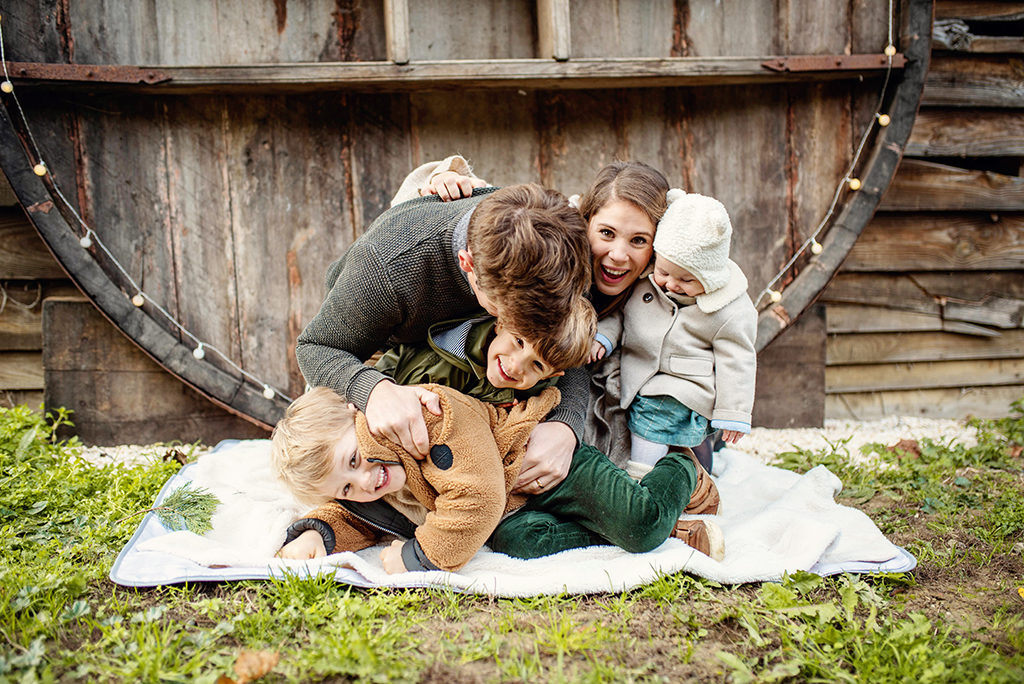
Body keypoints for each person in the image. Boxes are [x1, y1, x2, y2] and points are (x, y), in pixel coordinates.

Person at [295, 160, 592, 497]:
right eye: (516, 322)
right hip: (388, 356)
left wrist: (566, 424)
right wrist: (375, 391)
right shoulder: (383, 269)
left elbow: (571, 345)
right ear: (468, 264)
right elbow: (315, 347)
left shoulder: (560, 254)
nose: (532, 331)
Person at [271, 382, 723, 573]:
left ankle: (682, 470)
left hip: (544, 465)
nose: (366, 481)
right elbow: (365, 516)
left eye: (354, 460)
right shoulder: (379, 480)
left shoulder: (432, 415)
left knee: (640, 526)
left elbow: (479, 497)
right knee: (523, 543)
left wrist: (418, 556)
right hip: (516, 508)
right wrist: (319, 533)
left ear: (361, 413)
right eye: (346, 486)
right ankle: (676, 530)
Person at [591, 190, 757, 476]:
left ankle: (642, 475)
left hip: (688, 385)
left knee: (657, 421)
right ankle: (695, 474)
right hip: (639, 374)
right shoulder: (646, 284)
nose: (671, 285)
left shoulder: (729, 308)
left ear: (711, 278)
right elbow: (620, 315)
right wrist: (603, 337)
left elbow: (737, 360)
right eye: (665, 272)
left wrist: (733, 414)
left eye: (687, 280)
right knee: (681, 439)